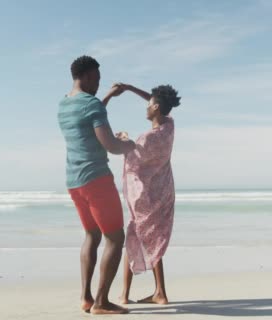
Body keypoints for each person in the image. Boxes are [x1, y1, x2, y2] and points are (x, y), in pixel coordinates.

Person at [57, 56, 136, 315]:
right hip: (97, 180)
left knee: (91, 235)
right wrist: (129, 144)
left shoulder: (64, 104)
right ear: (89, 76)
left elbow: (88, 121)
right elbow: (112, 147)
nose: (98, 85)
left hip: (74, 181)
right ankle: (101, 303)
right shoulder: (92, 105)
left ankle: (86, 298)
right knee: (115, 237)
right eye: (98, 79)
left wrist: (109, 97)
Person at [115, 83, 181, 305]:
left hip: (145, 196)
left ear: (157, 108)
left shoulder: (147, 138)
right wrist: (130, 88)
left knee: (134, 235)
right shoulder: (169, 126)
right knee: (153, 239)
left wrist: (123, 138)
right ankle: (160, 291)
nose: (146, 107)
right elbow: (161, 103)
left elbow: (132, 158)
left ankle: (124, 294)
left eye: (150, 105)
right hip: (163, 192)